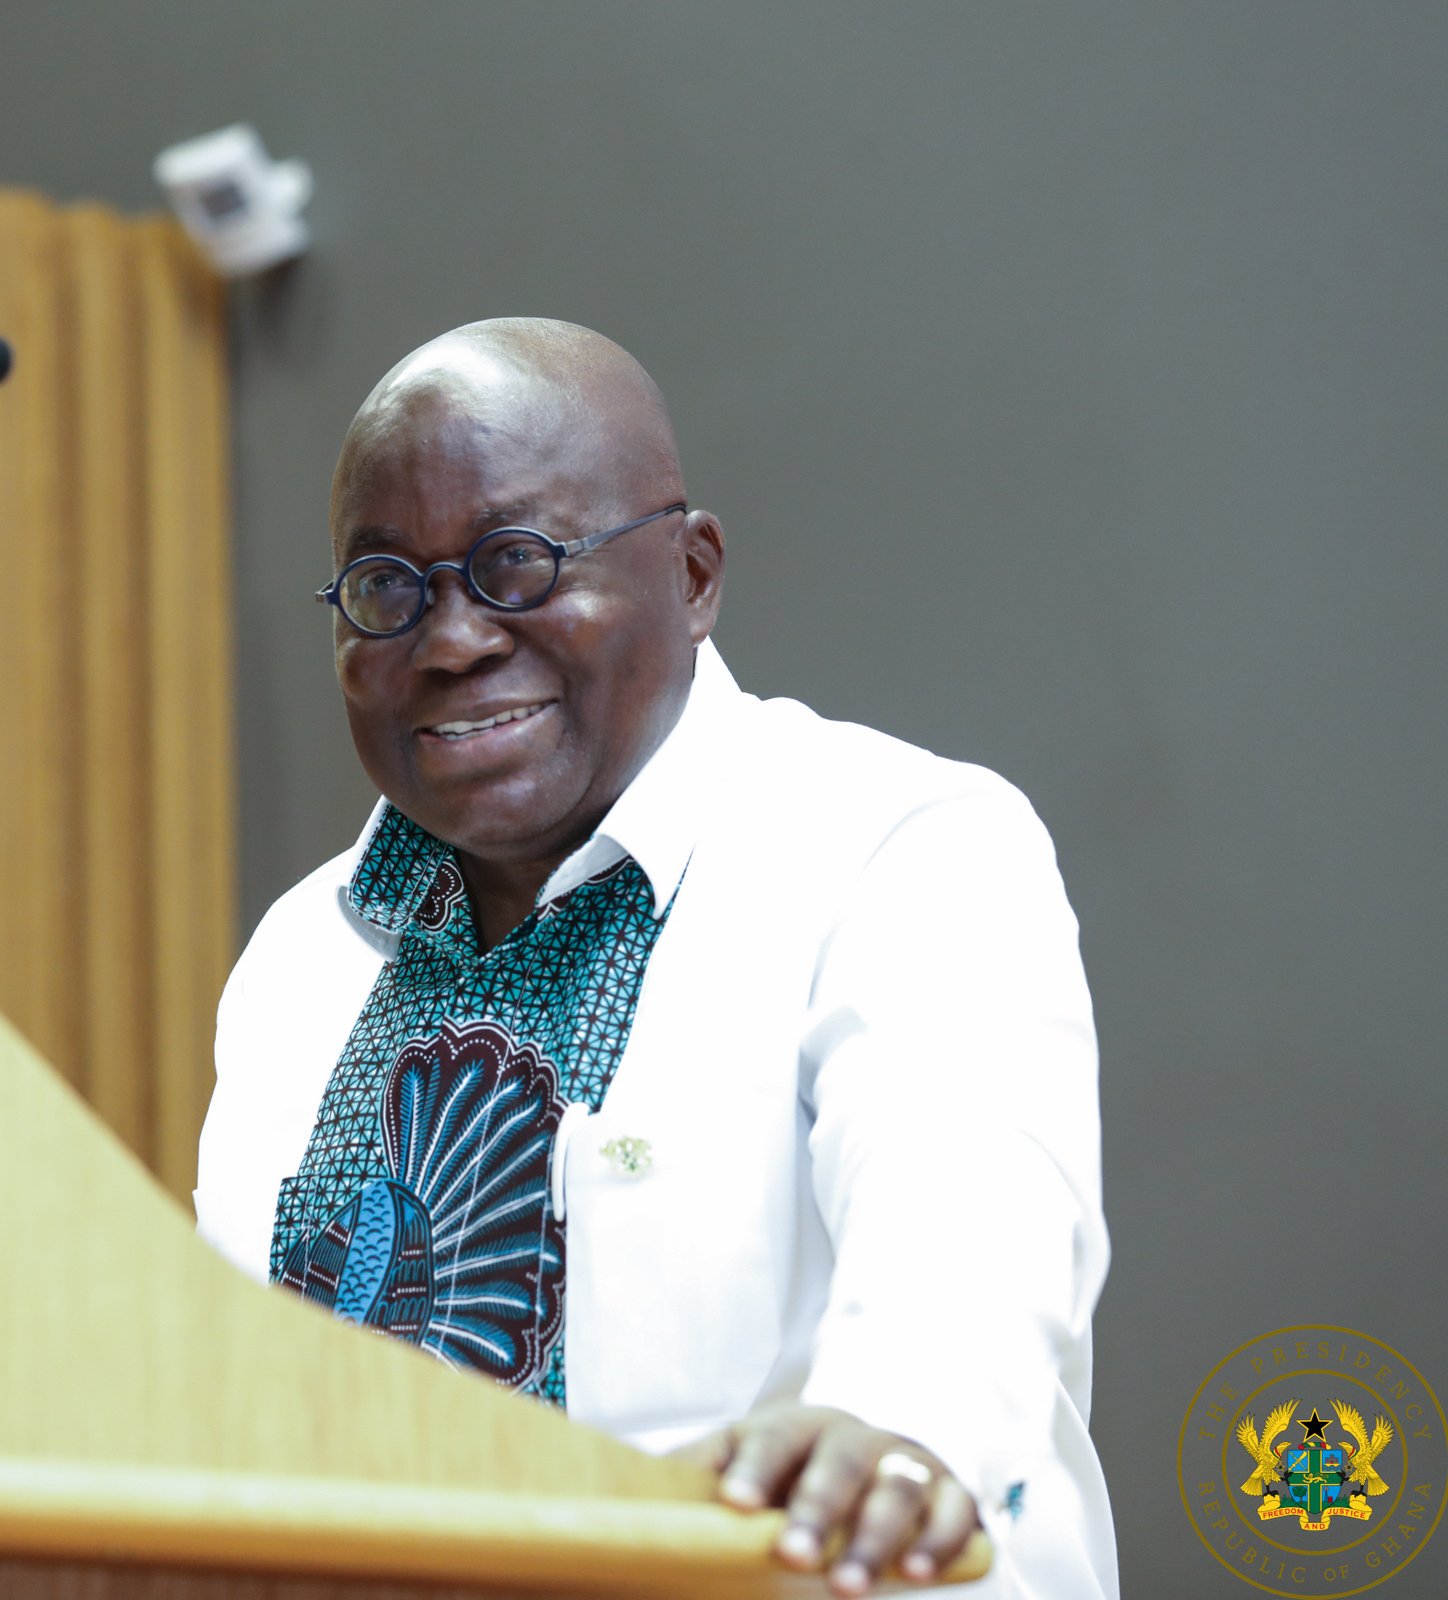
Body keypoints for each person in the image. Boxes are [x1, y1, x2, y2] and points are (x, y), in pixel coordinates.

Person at [195, 318, 1117, 1599]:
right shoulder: (301, 957)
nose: (451, 638)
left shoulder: (894, 845)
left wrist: (895, 1422)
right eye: (388, 587)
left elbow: (969, 1220)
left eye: (516, 564)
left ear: (691, 574)